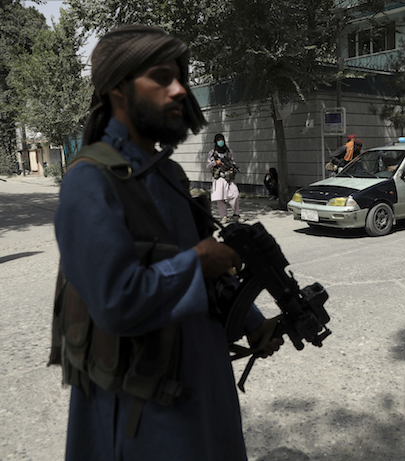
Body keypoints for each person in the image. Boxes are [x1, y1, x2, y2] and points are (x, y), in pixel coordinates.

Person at [51, 25, 281, 460]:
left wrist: (251, 320)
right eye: (161, 77)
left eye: (180, 78)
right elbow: (115, 301)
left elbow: (208, 266)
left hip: (204, 389)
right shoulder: (89, 181)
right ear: (119, 88)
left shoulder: (167, 173)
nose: (179, 90)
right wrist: (197, 262)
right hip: (146, 418)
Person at [206, 133, 240, 223]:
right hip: (219, 177)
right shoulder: (212, 153)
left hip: (229, 176)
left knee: (235, 194)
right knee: (220, 198)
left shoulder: (229, 151)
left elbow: (234, 162)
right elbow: (208, 165)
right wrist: (215, 163)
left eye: (221, 139)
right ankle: (224, 217)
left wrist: (233, 167)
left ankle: (236, 215)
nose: (220, 142)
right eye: (218, 140)